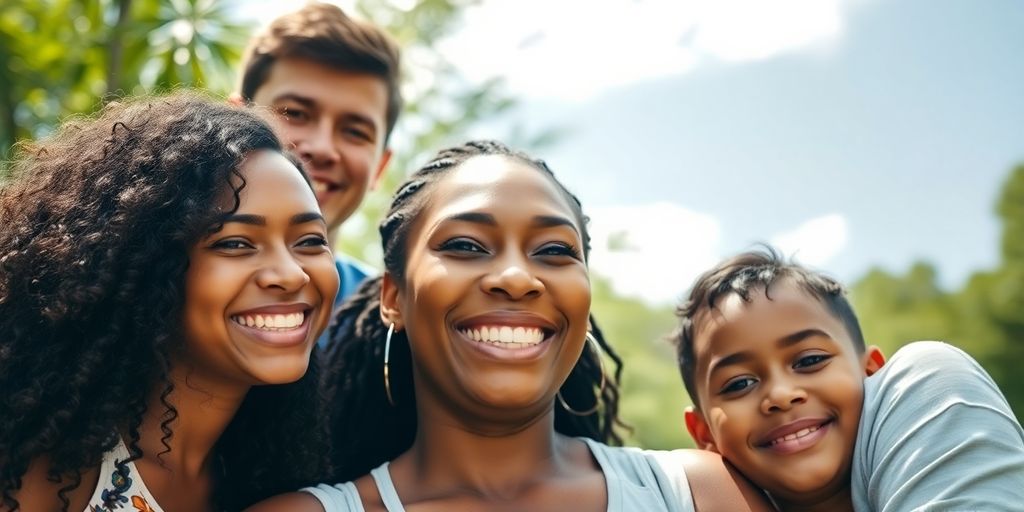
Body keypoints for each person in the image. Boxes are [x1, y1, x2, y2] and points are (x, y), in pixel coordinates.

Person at [246, 140, 772, 512]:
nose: (518, 279)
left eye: (554, 251)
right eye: (466, 246)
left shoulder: (700, 495)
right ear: (394, 299)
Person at [0, 92, 338, 511]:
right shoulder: (44, 473)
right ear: (145, 266)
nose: (291, 274)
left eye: (309, 241)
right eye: (235, 243)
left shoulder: (273, 480)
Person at [674, 247, 1024, 511]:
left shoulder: (929, 380)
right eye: (739, 384)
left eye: (810, 360)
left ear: (872, 372)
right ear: (703, 434)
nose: (781, 395)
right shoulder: (685, 493)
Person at [232, 2, 403, 343]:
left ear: (379, 167)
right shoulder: (142, 285)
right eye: (294, 113)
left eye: (355, 131)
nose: (323, 147)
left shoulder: (388, 328)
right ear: (233, 122)